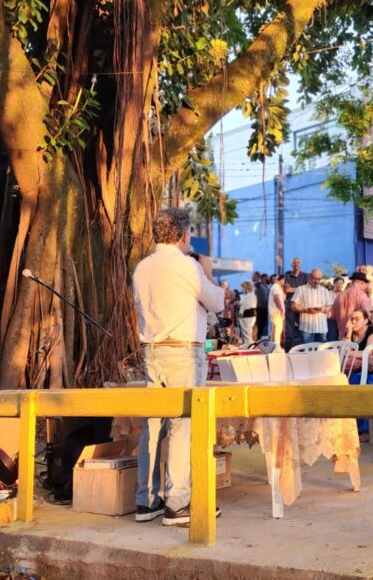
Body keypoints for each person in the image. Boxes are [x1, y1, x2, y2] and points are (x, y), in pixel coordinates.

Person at [132, 208, 225, 526]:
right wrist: (208, 272)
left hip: (152, 351)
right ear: (184, 236)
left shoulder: (142, 267)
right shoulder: (188, 266)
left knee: (152, 427)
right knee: (183, 427)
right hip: (184, 352)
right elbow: (217, 303)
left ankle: (146, 501)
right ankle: (178, 502)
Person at [291, 268, 333, 344]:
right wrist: (306, 310)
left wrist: (325, 309)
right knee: (307, 350)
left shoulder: (325, 291)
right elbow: (293, 306)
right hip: (306, 329)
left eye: (319, 279)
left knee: (321, 350)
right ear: (310, 276)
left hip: (322, 328)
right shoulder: (301, 289)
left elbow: (330, 306)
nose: (317, 281)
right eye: (315, 278)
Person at [332, 272, 373, 340]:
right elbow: (368, 316)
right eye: (365, 284)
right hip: (356, 337)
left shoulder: (339, 296)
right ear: (361, 283)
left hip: (341, 337)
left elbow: (333, 316)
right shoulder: (361, 295)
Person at [283, 258, 310, 347]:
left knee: (304, 328)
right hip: (290, 305)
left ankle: (303, 348)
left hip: (301, 305)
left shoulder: (306, 276)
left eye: (298, 262)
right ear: (292, 265)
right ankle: (287, 350)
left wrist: (293, 289)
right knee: (289, 330)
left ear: (300, 264)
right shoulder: (287, 276)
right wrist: (301, 289)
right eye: (294, 263)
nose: (296, 264)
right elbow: (287, 290)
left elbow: (307, 290)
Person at [268, 274, 286, 349]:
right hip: (276, 312)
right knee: (278, 329)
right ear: (281, 280)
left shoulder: (276, 287)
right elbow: (276, 298)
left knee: (274, 329)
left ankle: (272, 346)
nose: (284, 282)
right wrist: (281, 309)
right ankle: (276, 347)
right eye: (284, 280)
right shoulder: (276, 287)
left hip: (274, 311)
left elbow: (283, 298)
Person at [238, 281, 258, 347]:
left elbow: (243, 306)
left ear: (246, 287)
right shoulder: (251, 295)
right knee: (247, 331)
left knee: (247, 331)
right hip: (250, 315)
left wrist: (239, 316)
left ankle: (248, 344)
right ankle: (247, 344)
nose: (241, 289)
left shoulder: (249, 296)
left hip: (247, 315)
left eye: (242, 288)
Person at [254, 273, 270, 340]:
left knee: (264, 322)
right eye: (267, 278)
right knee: (259, 323)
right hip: (259, 308)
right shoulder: (259, 285)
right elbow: (254, 288)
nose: (268, 279)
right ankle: (257, 338)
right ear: (264, 278)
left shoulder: (267, 287)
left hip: (265, 308)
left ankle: (259, 337)